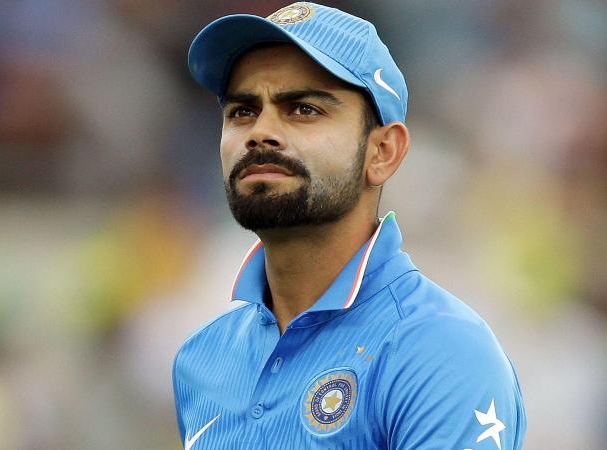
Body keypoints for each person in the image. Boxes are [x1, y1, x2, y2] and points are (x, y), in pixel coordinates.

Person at [172, 2, 526, 449]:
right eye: (242, 111)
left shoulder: (441, 351)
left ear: (383, 152)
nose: (260, 132)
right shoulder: (201, 357)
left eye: (303, 109)